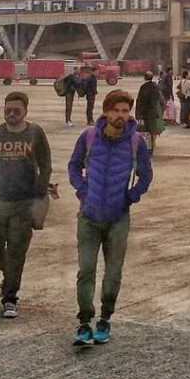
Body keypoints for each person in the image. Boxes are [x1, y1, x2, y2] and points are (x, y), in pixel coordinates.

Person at [68, 89, 153, 346]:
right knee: (86, 270)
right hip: (89, 217)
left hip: (118, 218)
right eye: (116, 110)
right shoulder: (89, 137)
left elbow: (146, 176)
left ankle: (105, 318)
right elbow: (73, 165)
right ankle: (84, 322)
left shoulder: (136, 142)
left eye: (125, 111)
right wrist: (81, 190)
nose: (121, 116)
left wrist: (130, 197)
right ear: (106, 111)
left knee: (113, 272)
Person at [0, 91, 53, 318]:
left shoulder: (35, 133)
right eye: (7, 110)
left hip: (24, 204)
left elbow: (46, 167)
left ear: (25, 111)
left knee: (17, 250)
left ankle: (10, 298)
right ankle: (10, 278)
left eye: (16, 110)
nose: (11, 114)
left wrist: (39, 196)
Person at [134, 70, 165, 156]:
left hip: (145, 114)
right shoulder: (155, 87)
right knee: (152, 131)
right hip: (153, 113)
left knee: (145, 132)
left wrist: (139, 114)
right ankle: (151, 148)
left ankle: (147, 149)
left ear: (144, 77)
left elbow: (141, 101)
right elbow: (160, 100)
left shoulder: (144, 87)